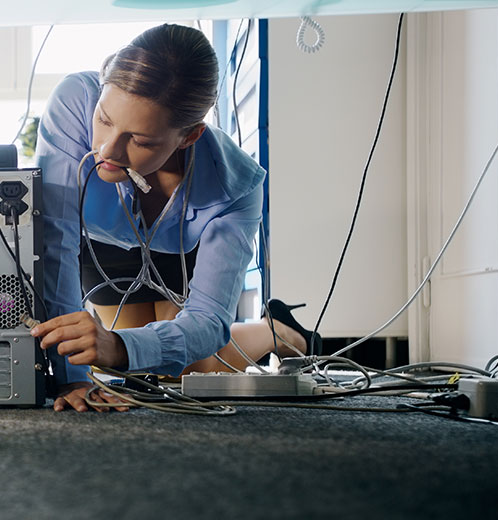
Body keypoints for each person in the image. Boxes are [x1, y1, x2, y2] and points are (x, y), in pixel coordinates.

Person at [29, 23, 320, 412]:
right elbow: (54, 243)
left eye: (142, 140)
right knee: (125, 369)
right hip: (105, 249)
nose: (107, 149)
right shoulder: (75, 101)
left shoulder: (237, 187)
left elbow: (206, 321)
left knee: (186, 368)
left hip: (184, 256)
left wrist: (119, 345)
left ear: (189, 136)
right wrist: (73, 377)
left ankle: (278, 331)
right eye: (104, 120)